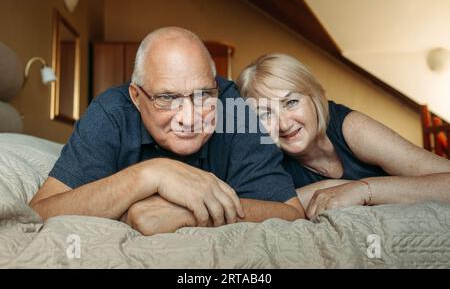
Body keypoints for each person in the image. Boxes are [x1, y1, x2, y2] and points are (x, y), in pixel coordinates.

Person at [29, 28, 305, 236]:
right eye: (167, 98)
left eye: (203, 95)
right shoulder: (110, 113)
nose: (189, 118)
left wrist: (188, 214)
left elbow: (292, 214)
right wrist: (150, 175)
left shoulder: (233, 107)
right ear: (136, 97)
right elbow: (39, 212)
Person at [237, 53, 450, 219]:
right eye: (265, 113)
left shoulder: (351, 127)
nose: (283, 124)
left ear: (314, 97)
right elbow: (265, 209)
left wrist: (363, 190)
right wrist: (326, 189)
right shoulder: (263, 159)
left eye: (291, 102)